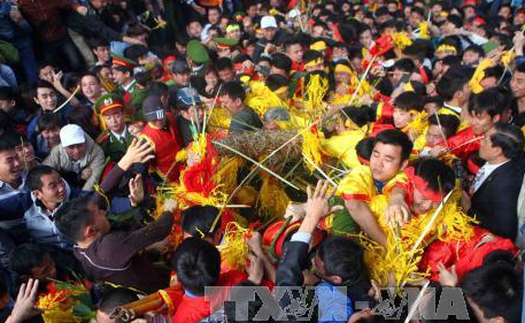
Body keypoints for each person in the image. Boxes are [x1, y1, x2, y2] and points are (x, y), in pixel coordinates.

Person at [53, 179, 173, 294]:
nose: (104, 212)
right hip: (158, 292)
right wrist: (169, 209)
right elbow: (160, 229)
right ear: (90, 231)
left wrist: (147, 248)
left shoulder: (80, 250)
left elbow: (123, 253)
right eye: (99, 212)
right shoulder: (109, 246)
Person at [339, 129, 413, 245]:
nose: (378, 163)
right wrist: (388, 247)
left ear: (403, 164)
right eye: (376, 155)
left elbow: (401, 183)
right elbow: (353, 204)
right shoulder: (361, 172)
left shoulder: (407, 177)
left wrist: (396, 198)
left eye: (388, 159)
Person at [464, 122, 525, 241]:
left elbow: (505, 230)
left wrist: (469, 211)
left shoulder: (504, 185)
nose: (481, 142)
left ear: (497, 151)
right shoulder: (504, 159)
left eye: (486, 140)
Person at [43, 124, 105, 191]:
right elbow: (44, 171)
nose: (76, 151)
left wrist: (82, 197)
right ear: (64, 147)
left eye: (80, 145)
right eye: (71, 147)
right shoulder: (57, 152)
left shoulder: (97, 152)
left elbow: (93, 179)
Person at [139, 95, 184, 184]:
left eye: (160, 117)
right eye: (154, 120)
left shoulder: (171, 117)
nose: (158, 121)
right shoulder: (146, 139)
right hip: (166, 180)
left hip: (185, 169)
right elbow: (142, 168)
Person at [95, 96, 134, 163]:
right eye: (108, 118)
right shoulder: (102, 142)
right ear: (104, 119)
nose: (114, 121)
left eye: (117, 116)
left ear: (123, 114)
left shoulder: (137, 129)